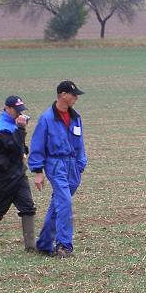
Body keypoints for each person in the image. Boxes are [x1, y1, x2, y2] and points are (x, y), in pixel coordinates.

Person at [28, 81, 87, 258]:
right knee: (65, 203)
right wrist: (38, 171)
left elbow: (80, 144)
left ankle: (44, 244)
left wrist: (81, 164)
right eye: (73, 94)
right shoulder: (46, 118)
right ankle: (64, 246)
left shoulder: (76, 117)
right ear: (62, 94)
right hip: (55, 164)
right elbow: (37, 145)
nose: (76, 97)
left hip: (73, 166)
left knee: (59, 204)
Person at [0, 96, 37, 252]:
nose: (19, 113)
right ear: (8, 108)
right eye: (17, 110)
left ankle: (31, 247)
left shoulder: (13, 125)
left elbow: (22, 149)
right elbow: (15, 148)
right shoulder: (1, 127)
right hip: (3, 175)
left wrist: (22, 142)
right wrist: (22, 129)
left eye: (21, 111)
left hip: (18, 172)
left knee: (28, 207)